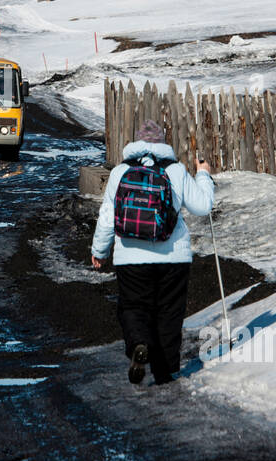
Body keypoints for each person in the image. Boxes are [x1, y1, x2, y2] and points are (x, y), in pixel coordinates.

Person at [90, 119, 214, 385]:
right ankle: (166, 371)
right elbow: (203, 206)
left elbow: (107, 217)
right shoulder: (176, 170)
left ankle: (138, 344)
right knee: (169, 312)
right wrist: (203, 174)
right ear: (162, 142)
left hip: (130, 256)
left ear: (136, 142)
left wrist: (99, 251)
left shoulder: (120, 172)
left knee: (134, 307)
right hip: (173, 256)